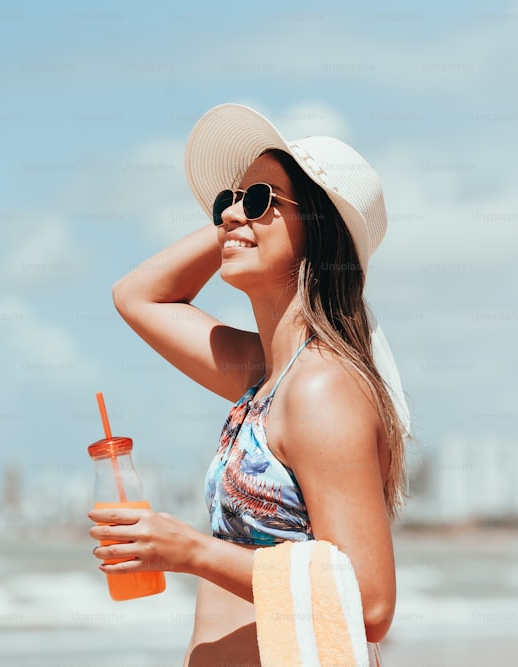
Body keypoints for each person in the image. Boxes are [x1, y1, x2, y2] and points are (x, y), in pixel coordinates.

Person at [89, 103, 410, 666]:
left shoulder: (320, 389)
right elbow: (137, 295)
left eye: (260, 199)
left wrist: (190, 551)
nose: (232, 214)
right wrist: (242, 226)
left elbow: (370, 602)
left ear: (318, 231)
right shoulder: (262, 373)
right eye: (227, 201)